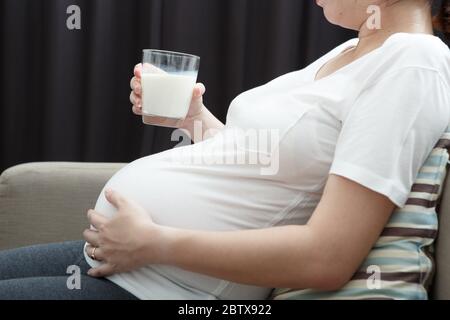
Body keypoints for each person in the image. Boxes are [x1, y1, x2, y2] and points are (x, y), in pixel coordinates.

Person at [1, 0, 449, 300]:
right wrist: (192, 118)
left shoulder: (414, 63)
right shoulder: (353, 51)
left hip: (172, 291)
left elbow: (328, 256)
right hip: (127, 266)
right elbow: (271, 168)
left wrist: (156, 244)